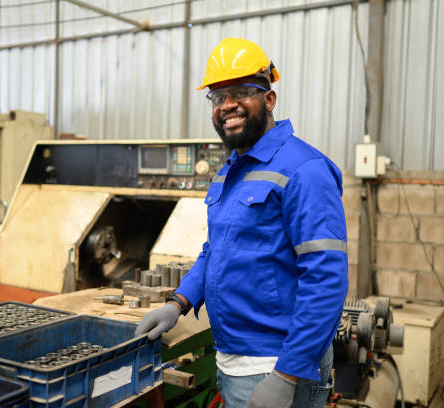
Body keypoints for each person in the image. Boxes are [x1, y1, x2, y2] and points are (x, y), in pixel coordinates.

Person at [135, 37, 349, 408]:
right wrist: (179, 302)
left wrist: (288, 374)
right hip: (232, 356)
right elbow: (215, 251)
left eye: (240, 92)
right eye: (218, 97)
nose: (227, 105)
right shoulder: (228, 173)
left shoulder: (304, 169)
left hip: (277, 363)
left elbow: (327, 279)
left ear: (269, 99)